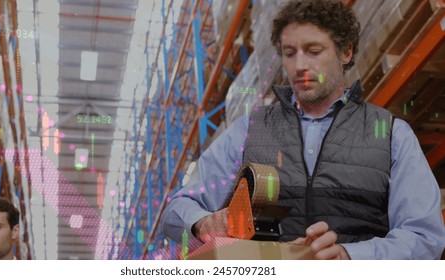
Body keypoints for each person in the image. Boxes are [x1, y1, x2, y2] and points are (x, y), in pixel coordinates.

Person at [161, 0, 445, 259]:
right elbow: (177, 209)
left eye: (313, 51)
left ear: (345, 52)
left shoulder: (392, 134)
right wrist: (202, 222)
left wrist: (349, 256)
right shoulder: (251, 130)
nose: (299, 66)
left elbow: (424, 237)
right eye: (289, 53)